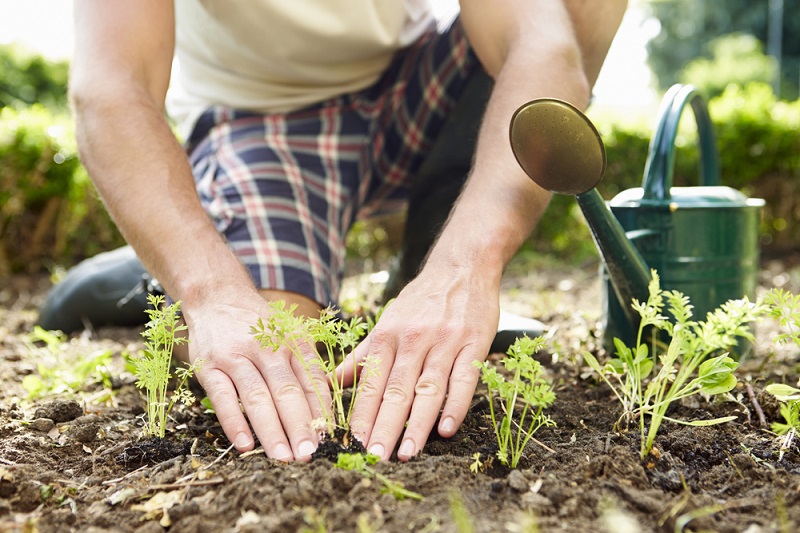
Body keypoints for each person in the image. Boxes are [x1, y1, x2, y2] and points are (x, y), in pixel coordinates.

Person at [50, 0, 627, 463]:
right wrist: (210, 292)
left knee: (580, 7)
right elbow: (109, 89)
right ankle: (180, 252)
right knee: (280, 353)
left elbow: (542, 44)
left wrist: (466, 264)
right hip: (266, 120)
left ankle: (426, 265)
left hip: (415, 88)